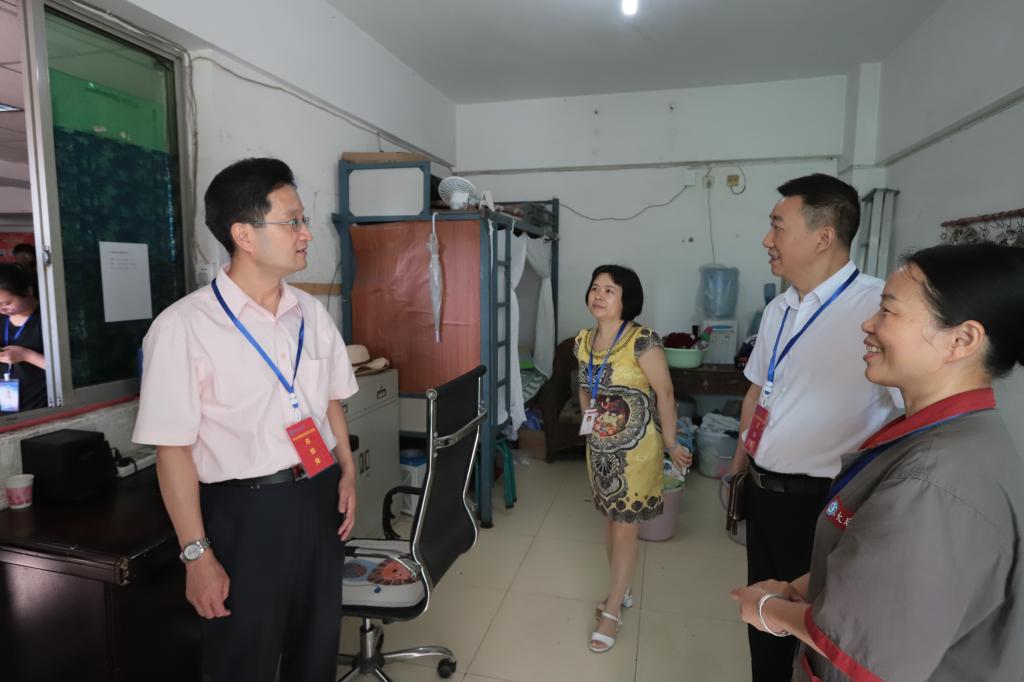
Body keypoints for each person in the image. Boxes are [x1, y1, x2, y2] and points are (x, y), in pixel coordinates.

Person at [731, 243, 1024, 681]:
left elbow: (862, 642)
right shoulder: (952, 436)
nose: (868, 324)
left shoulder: (934, 482)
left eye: (888, 311)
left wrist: (768, 610)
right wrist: (798, 588)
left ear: (961, 340)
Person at [132, 158, 359, 682]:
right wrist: (197, 555)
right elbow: (172, 450)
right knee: (244, 659)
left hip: (318, 497)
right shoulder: (184, 328)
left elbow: (330, 400)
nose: (306, 234)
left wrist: (346, 469)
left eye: (304, 221)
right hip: (245, 514)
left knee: (317, 648)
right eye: (293, 221)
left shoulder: (310, 313)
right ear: (244, 235)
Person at [728, 173, 900, 680]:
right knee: (762, 617)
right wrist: (738, 469)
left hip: (826, 504)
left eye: (778, 226)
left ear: (823, 236)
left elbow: (910, 416)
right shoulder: (779, 308)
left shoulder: (876, 309)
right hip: (764, 493)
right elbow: (757, 390)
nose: (767, 239)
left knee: (815, 627)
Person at [575, 264, 692, 653]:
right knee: (610, 522)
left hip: (637, 452)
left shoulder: (643, 341)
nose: (599, 295)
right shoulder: (583, 341)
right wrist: (589, 426)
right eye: (595, 288)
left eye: (610, 290)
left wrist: (671, 443)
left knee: (625, 526)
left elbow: (665, 394)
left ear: (628, 299)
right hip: (600, 451)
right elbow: (585, 387)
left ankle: (612, 610)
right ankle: (620, 588)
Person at [0, 263, 46, 412]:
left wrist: (26, 355)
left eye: (7, 303)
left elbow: (72, 370)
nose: (2, 309)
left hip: (41, 407)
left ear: (28, 291)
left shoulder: (49, 319)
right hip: (7, 408)